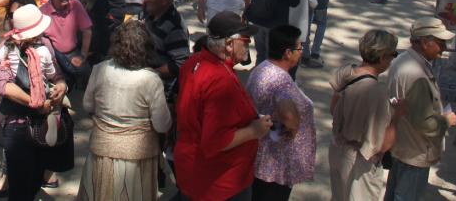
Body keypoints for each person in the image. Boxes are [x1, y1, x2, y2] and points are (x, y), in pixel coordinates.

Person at [175, 11, 272, 200]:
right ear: (229, 44)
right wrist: (254, 130)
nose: (249, 43)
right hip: (219, 182)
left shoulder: (195, 61)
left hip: (193, 169)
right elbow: (215, 142)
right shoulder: (220, 81)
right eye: (245, 39)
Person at [78, 20, 171, 201]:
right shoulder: (150, 79)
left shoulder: (100, 69)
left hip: (102, 152)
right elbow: (162, 124)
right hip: (138, 158)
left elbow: (88, 105)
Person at [0, 4, 73, 201]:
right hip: (20, 128)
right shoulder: (9, 50)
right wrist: (36, 102)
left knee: (34, 179)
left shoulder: (43, 47)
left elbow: (57, 75)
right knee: (20, 186)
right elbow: (3, 86)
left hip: (39, 125)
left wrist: (61, 85)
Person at [385, 16, 456, 201]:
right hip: (415, 151)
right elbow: (425, 124)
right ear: (425, 42)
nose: (444, 48)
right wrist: (446, 121)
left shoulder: (401, 61)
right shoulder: (417, 74)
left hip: (402, 145)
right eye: (441, 43)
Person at [329, 29, 400, 201]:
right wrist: (397, 116)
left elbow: (334, 108)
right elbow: (381, 145)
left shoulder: (346, 73)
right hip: (360, 162)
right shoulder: (377, 92)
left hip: (338, 148)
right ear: (383, 57)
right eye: (393, 55)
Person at [247, 24, 316, 200]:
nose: (301, 51)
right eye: (299, 47)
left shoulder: (263, 67)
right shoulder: (281, 82)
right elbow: (288, 116)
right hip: (276, 163)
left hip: (262, 157)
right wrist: (294, 127)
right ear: (287, 53)